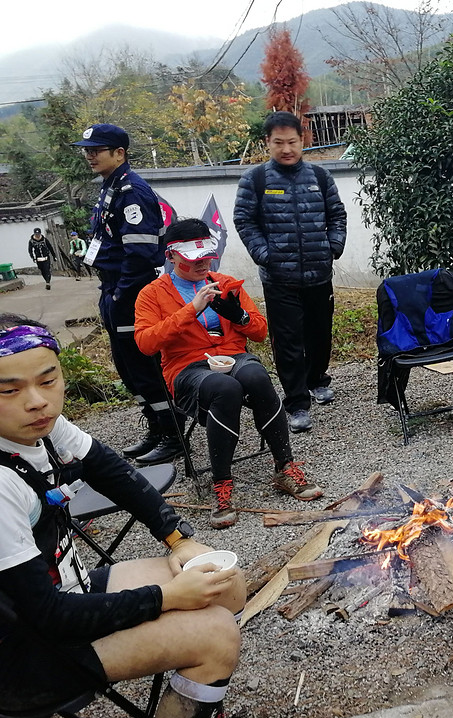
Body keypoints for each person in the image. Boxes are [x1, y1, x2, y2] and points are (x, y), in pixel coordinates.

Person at [0, 314, 294, 718]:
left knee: (223, 581)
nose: (37, 402)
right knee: (216, 634)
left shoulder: (42, 430)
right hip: (24, 659)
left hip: (62, 599)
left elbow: (113, 472)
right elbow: (50, 618)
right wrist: (166, 597)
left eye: (48, 379)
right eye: (9, 390)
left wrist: (178, 539)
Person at [135, 219, 325, 530]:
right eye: (193, 259)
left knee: (256, 377)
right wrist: (191, 309)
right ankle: (221, 485)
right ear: (171, 256)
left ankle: (284, 467)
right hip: (186, 367)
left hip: (233, 356)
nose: (203, 264)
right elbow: (145, 343)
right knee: (225, 388)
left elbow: (261, 332)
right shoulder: (152, 294)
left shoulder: (225, 282)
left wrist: (238, 315)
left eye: (207, 257)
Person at [70, 123, 184, 466]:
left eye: (97, 150)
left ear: (119, 153)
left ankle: (173, 432)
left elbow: (142, 252)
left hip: (130, 290)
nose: (90, 156)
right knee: (126, 365)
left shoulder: (132, 191)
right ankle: (156, 425)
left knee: (142, 364)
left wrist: (121, 294)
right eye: (87, 150)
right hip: (113, 286)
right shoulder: (111, 187)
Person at [234, 112, 348, 435]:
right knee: (287, 341)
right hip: (279, 277)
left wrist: (333, 246)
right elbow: (244, 221)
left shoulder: (320, 177)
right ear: (267, 143)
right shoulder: (255, 180)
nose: (286, 149)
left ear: (303, 141)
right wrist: (264, 255)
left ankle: (317, 380)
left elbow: (337, 215)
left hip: (318, 272)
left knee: (319, 333)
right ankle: (296, 402)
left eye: (292, 142)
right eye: (278, 142)